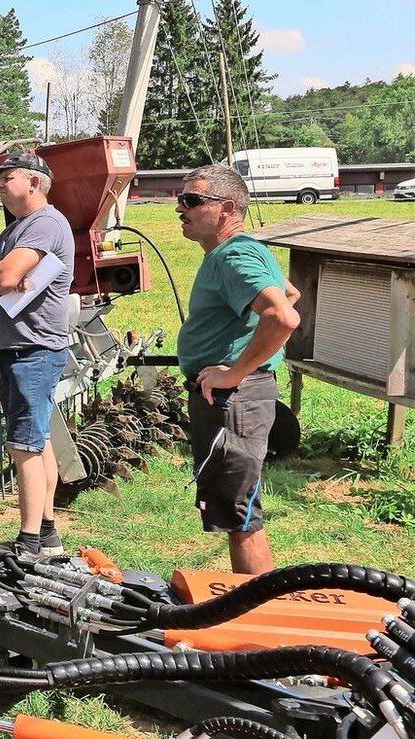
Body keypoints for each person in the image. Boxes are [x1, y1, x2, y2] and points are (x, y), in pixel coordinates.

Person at [176, 164, 301, 574]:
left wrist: (235, 372)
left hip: (235, 399)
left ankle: (255, 619)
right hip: (238, 397)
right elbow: (290, 292)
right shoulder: (244, 250)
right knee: (237, 511)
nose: (181, 208)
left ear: (227, 207)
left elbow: (283, 315)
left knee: (241, 517)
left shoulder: (233, 255)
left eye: (192, 200)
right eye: (181, 200)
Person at [0, 152, 74, 561]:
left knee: (24, 447)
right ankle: (46, 533)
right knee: (37, 441)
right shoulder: (20, 228)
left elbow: (5, 277)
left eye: (5, 176)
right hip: (22, 346)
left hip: (35, 348)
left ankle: (28, 543)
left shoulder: (45, 224)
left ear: (34, 182)